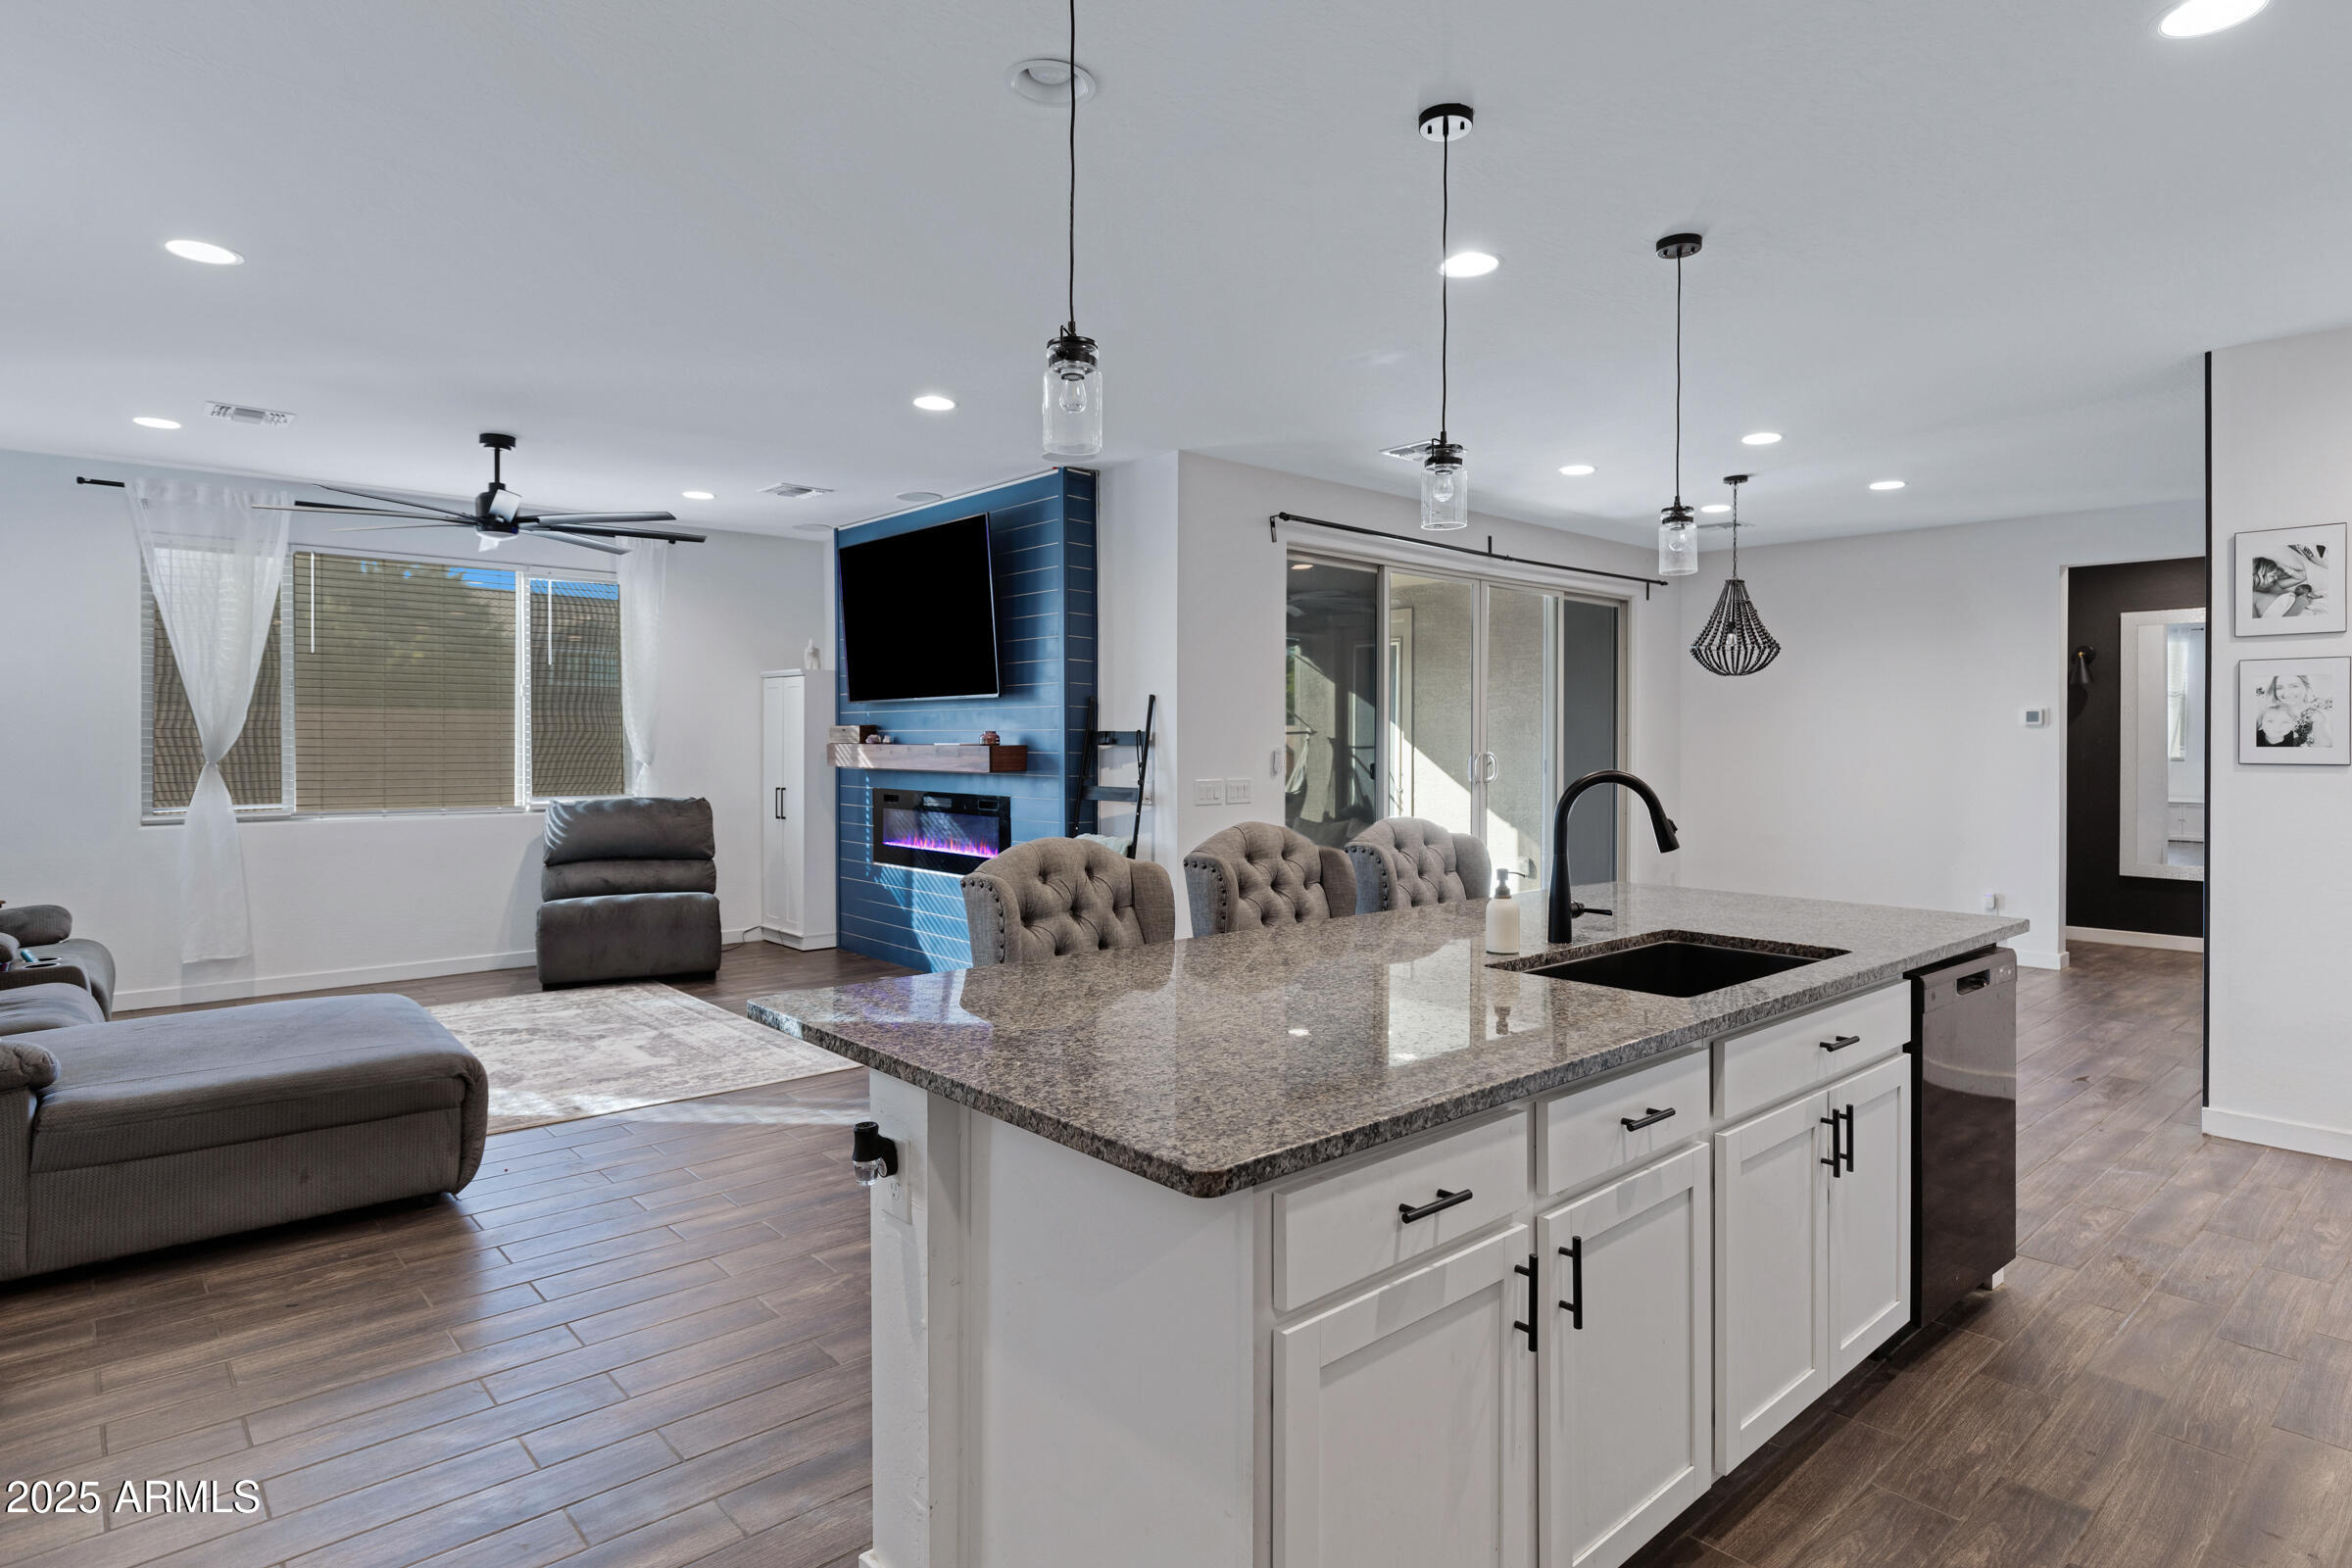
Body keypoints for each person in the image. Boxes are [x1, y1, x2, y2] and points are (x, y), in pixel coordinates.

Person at [2254, 673, 2333, 749]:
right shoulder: (2268, 709)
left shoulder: (2315, 716)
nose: (2287, 693)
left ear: (2306, 686)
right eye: (2279, 688)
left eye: (2294, 686)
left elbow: (2324, 746)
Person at [2249, 554, 2325, 619]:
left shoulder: (2275, 585)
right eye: (2272, 575)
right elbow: (2260, 629)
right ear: (2257, 577)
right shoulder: (2251, 599)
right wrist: (2298, 605)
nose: (2276, 577)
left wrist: (2282, 567)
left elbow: (2301, 577)